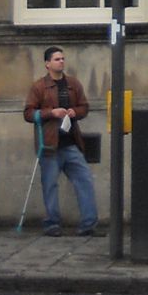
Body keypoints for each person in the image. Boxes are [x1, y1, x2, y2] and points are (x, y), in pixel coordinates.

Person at [23, 46, 98, 235]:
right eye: (57, 59)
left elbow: (84, 107)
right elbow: (29, 113)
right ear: (47, 64)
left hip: (71, 142)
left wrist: (75, 112)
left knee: (84, 180)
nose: (61, 62)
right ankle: (52, 223)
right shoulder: (39, 87)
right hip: (50, 145)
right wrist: (51, 113)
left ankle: (88, 224)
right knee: (50, 184)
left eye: (63, 58)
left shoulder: (73, 84)